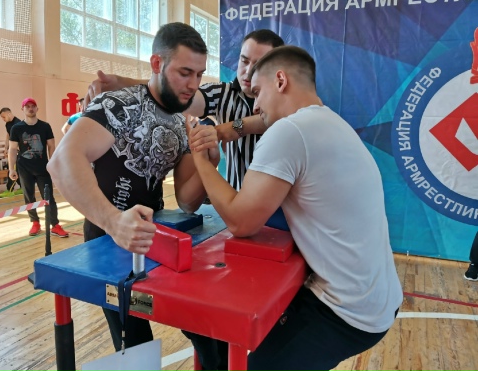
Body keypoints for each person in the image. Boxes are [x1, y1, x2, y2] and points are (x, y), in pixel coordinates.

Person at [188, 45, 403, 371]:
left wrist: (201, 158)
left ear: (280, 80)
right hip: (379, 297)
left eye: (257, 92)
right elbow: (259, 122)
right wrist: (223, 131)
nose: (255, 105)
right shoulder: (330, 122)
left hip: (345, 312)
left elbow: (241, 222)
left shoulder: (290, 131)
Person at [47, 22, 219, 353]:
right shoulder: (118, 105)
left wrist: (207, 160)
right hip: (107, 236)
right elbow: (62, 161)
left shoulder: (183, 119)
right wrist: (113, 221)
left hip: (156, 233)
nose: (193, 85)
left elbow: (187, 200)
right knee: (136, 345)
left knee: (207, 333)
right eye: (185, 73)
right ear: (157, 63)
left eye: (199, 75)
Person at [84, 29, 284, 190]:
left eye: (259, 64)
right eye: (244, 61)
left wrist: (227, 129)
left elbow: (276, 118)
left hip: (284, 211)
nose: (248, 71)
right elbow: (174, 91)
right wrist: (121, 82)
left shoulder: (287, 99)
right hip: (238, 204)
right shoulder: (222, 94)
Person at [8, 98, 69, 238]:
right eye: (27, 106)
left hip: (43, 168)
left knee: (49, 197)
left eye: (33, 106)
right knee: (28, 196)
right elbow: (12, 149)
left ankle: (55, 225)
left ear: (37, 109)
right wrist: (11, 168)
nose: (30, 108)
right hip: (24, 168)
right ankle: (35, 222)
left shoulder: (45, 126)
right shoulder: (16, 128)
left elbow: (51, 146)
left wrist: (53, 164)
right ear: (22, 109)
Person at [0, 107, 23, 197]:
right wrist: (6, 148)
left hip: (19, 151)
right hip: (13, 150)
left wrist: (16, 149)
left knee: (12, 169)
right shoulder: (8, 124)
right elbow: (8, 136)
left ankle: (10, 190)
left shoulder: (18, 124)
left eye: (4, 117)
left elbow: (22, 138)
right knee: (15, 169)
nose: (3, 119)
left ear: (9, 114)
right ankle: (23, 188)